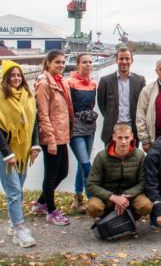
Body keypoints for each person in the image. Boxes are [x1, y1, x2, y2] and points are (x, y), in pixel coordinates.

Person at [0, 60, 40, 248]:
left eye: (19, 75)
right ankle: (19, 229)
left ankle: (12, 222)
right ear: (5, 78)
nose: (16, 78)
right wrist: (7, 154)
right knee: (14, 190)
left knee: (17, 189)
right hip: (5, 152)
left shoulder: (28, 95)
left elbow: (34, 121)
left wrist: (35, 145)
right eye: (12, 76)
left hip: (23, 151)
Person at [31, 50, 73, 226]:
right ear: (48, 63)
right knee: (51, 175)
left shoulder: (60, 81)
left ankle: (40, 203)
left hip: (62, 134)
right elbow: (43, 113)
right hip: (52, 135)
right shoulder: (44, 83)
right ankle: (51, 211)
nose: (61, 65)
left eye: (63, 62)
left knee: (62, 172)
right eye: (57, 62)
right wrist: (50, 139)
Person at [86, 122, 153, 222]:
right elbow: (91, 184)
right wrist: (112, 197)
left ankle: (130, 218)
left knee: (146, 206)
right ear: (114, 137)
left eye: (126, 137)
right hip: (108, 197)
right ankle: (104, 217)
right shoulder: (101, 156)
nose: (123, 141)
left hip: (130, 196)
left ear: (131, 137)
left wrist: (124, 196)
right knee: (93, 207)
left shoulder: (139, 155)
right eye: (120, 138)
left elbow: (143, 182)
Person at [97, 47, 146, 145]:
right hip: (112, 130)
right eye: (121, 58)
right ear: (116, 60)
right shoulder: (105, 81)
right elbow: (102, 105)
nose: (124, 61)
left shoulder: (140, 80)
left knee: (132, 160)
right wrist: (110, 117)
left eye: (127, 59)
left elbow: (142, 105)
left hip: (132, 130)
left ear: (132, 60)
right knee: (110, 159)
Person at [68, 53, 97, 213]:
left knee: (82, 163)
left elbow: (92, 105)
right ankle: (94, 202)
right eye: (84, 62)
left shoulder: (93, 83)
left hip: (90, 127)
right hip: (76, 129)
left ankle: (77, 199)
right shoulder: (70, 82)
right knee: (87, 166)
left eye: (90, 62)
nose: (88, 65)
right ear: (78, 64)